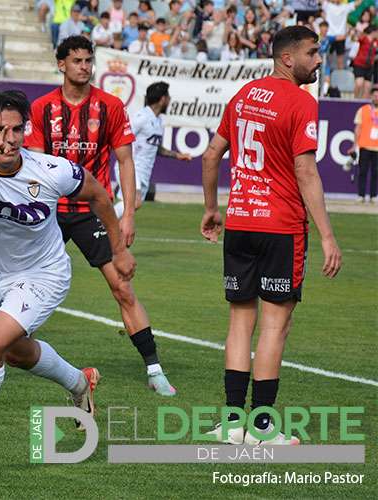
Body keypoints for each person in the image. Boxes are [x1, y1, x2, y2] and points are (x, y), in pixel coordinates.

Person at [0, 89, 136, 469]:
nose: (8, 139)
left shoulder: (50, 169)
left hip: (46, 274)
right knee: (13, 351)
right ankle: (78, 381)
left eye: (16, 129)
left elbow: (98, 195)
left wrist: (118, 248)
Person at [201, 26, 342, 445]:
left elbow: (212, 155)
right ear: (287, 58)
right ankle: (262, 429)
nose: (319, 60)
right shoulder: (301, 101)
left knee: (240, 322)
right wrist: (328, 236)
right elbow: (305, 170)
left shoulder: (244, 95)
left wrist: (211, 208)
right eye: (313, 53)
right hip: (280, 227)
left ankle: (230, 424)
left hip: (240, 221)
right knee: (275, 327)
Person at [25, 36, 176, 396]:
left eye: (88, 60)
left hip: (93, 211)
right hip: (48, 211)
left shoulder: (110, 106)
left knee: (122, 286)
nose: (84, 66)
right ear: (61, 64)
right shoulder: (42, 107)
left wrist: (128, 215)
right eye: (76, 60)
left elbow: (125, 160)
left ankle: (154, 369)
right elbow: (33, 164)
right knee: (19, 283)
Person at [113, 82, 192, 217]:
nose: (169, 100)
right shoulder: (141, 118)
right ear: (162, 99)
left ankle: (109, 230)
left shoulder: (158, 120)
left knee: (131, 206)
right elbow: (121, 136)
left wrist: (177, 155)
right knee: (134, 203)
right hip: (132, 167)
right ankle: (101, 222)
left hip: (143, 171)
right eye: (168, 97)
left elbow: (155, 147)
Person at [349, 85, 378, 203]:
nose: (376, 97)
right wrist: (354, 145)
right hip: (365, 145)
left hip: (377, 148)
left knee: (376, 173)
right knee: (363, 171)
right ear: (371, 96)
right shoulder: (363, 109)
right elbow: (358, 128)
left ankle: (373, 196)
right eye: (375, 95)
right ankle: (361, 195)